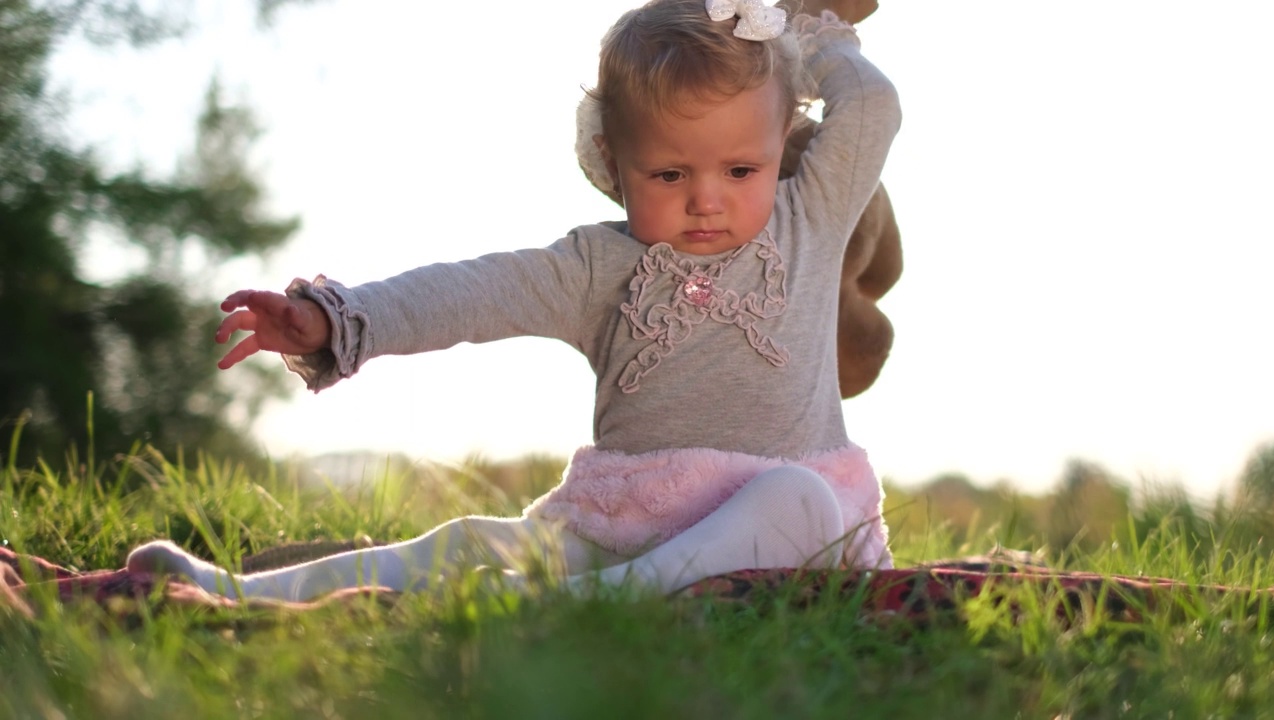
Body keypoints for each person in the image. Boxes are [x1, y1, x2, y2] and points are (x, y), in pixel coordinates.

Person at [126, 0, 902, 602]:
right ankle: (229, 591)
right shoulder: (600, 266)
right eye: (670, 175)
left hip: (794, 538)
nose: (708, 200)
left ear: (778, 148)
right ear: (612, 162)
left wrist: (804, 36)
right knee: (468, 540)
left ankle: (586, 607)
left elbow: (872, 107)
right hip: (631, 526)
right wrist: (335, 315)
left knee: (794, 498)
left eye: (740, 170)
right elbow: (472, 291)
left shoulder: (811, 220)